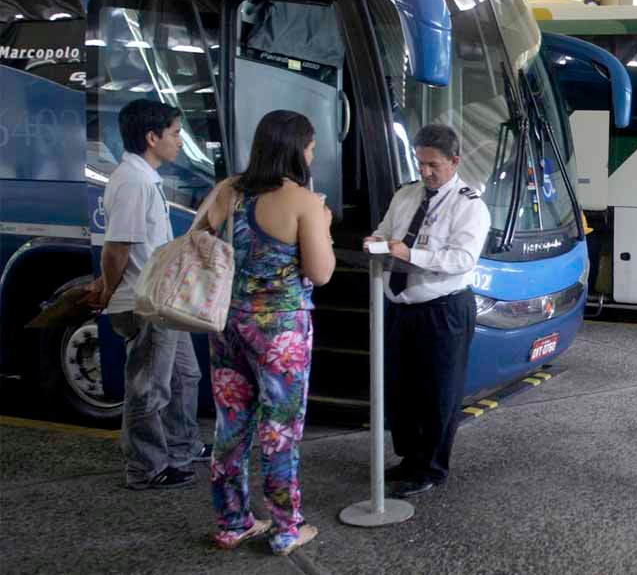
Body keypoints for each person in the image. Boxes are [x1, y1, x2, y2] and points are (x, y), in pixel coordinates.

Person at [204, 110, 335, 554]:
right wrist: (326, 229)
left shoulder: (227, 190)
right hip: (280, 331)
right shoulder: (304, 202)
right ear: (297, 148)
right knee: (280, 429)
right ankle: (284, 528)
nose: (313, 153)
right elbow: (320, 273)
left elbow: (204, 241)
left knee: (230, 423)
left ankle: (232, 521)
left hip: (226, 323)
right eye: (312, 145)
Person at [364, 124, 490, 498]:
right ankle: (409, 457)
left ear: (454, 161)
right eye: (420, 163)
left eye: (433, 164)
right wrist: (375, 240)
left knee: (438, 392)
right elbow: (385, 229)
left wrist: (410, 254)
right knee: (402, 390)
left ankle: (431, 468)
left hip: (443, 309)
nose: (425, 172)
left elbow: (462, 259)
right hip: (401, 306)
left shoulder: (469, 205)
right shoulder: (406, 195)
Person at [86, 99, 206, 490]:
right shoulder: (134, 182)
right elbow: (116, 247)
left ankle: (181, 446)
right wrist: (106, 289)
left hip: (163, 298)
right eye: (174, 133)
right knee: (149, 387)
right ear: (152, 138)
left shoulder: (143, 178)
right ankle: (146, 468)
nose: (180, 142)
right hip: (146, 301)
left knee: (186, 375)